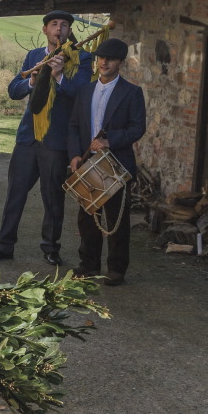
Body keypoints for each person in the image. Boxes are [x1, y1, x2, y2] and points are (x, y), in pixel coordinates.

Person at [0, 10, 92, 266]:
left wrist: (60, 75)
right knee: (15, 194)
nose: (59, 29)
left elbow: (82, 92)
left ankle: (51, 248)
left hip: (56, 140)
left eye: (64, 25)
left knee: (53, 198)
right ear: (44, 30)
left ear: (69, 31)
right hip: (27, 138)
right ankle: (4, 246)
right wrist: (31, 82)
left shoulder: (82, 58)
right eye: (54, 24)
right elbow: (13, 91)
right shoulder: (33, 56)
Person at [68, 38, 146, 286]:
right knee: (87, 216)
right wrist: (75, 154)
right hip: (88, 162)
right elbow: (74, 126)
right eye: (101, 58)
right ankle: (89, 264)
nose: (104, 62)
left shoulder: (132, 92)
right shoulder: (84, 91)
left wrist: (109, 141)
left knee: (116, 219)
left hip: (116, 163)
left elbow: (138, 128)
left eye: (110, 59)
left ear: (120, 63)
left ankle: (116, 269)